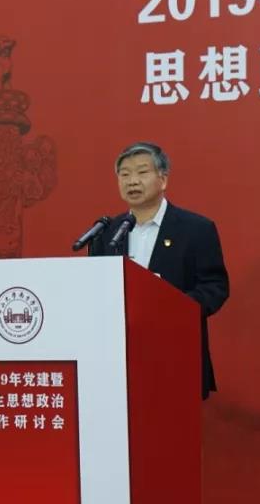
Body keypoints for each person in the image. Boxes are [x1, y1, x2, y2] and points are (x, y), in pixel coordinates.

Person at [92, 142, 229, 399]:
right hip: (117, 359)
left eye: (142, 172)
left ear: (163, 179)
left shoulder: (196, 229)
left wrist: (173, 307)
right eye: (125, 174)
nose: (132, 181)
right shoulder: (108, 232)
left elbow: (215, 287)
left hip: (175, 353)